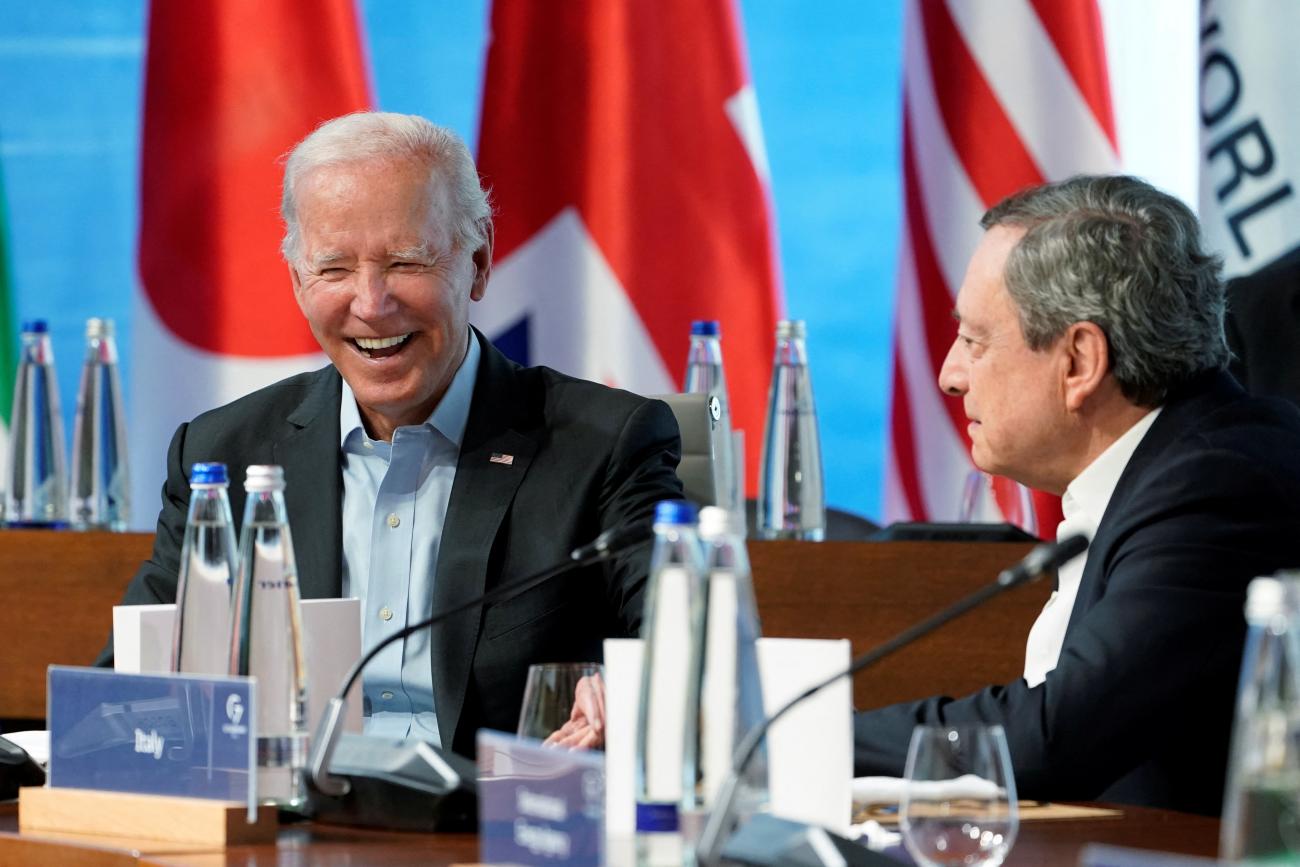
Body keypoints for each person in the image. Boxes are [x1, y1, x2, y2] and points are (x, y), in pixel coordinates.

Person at [107, 111, 683, 758]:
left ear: (480, 261)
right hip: (287, 830)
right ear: (298, 280)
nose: (372, 303)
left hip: (499, 834)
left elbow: (689, 650)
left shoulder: (603, 444)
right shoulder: (224, 453)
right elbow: (131, 680)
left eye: (405, 261)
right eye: (333, 270)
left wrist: (629, 692)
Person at [853, 175, 1300, 816]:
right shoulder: (1177, 464)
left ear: (1079, 362)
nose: (951, 376)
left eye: (974, 342)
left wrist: (819, 737)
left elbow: (1049, 739)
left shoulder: (1221, 486)